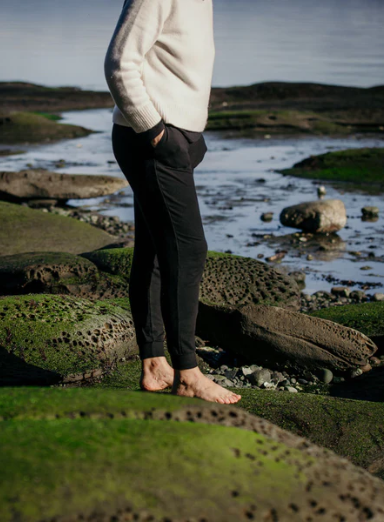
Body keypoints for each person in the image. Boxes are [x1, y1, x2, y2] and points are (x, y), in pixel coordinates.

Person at [104, 0, 241, 404]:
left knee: (154, 250)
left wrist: (192, 133)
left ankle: (153, 365)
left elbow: (181, 65)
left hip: (173, 139)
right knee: (188, 249)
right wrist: (156, 131)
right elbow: (118, 63)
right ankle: (188, 373)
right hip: (151, 140)